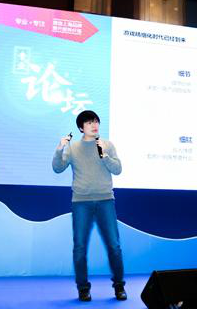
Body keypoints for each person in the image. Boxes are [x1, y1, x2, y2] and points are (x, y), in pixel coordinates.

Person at [52, 110, 126, 302]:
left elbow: (118, 169)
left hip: (105, 200)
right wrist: (59, 149)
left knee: (114, 246)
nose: (94, 125)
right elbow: (57, 168)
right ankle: (83, 289)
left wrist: (104, 156)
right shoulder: (73, 148)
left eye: (96, 122)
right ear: (81, 128)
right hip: (81, 203)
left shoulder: (107, 145)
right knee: (80, 247)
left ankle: (119, 286)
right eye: (89, 123)